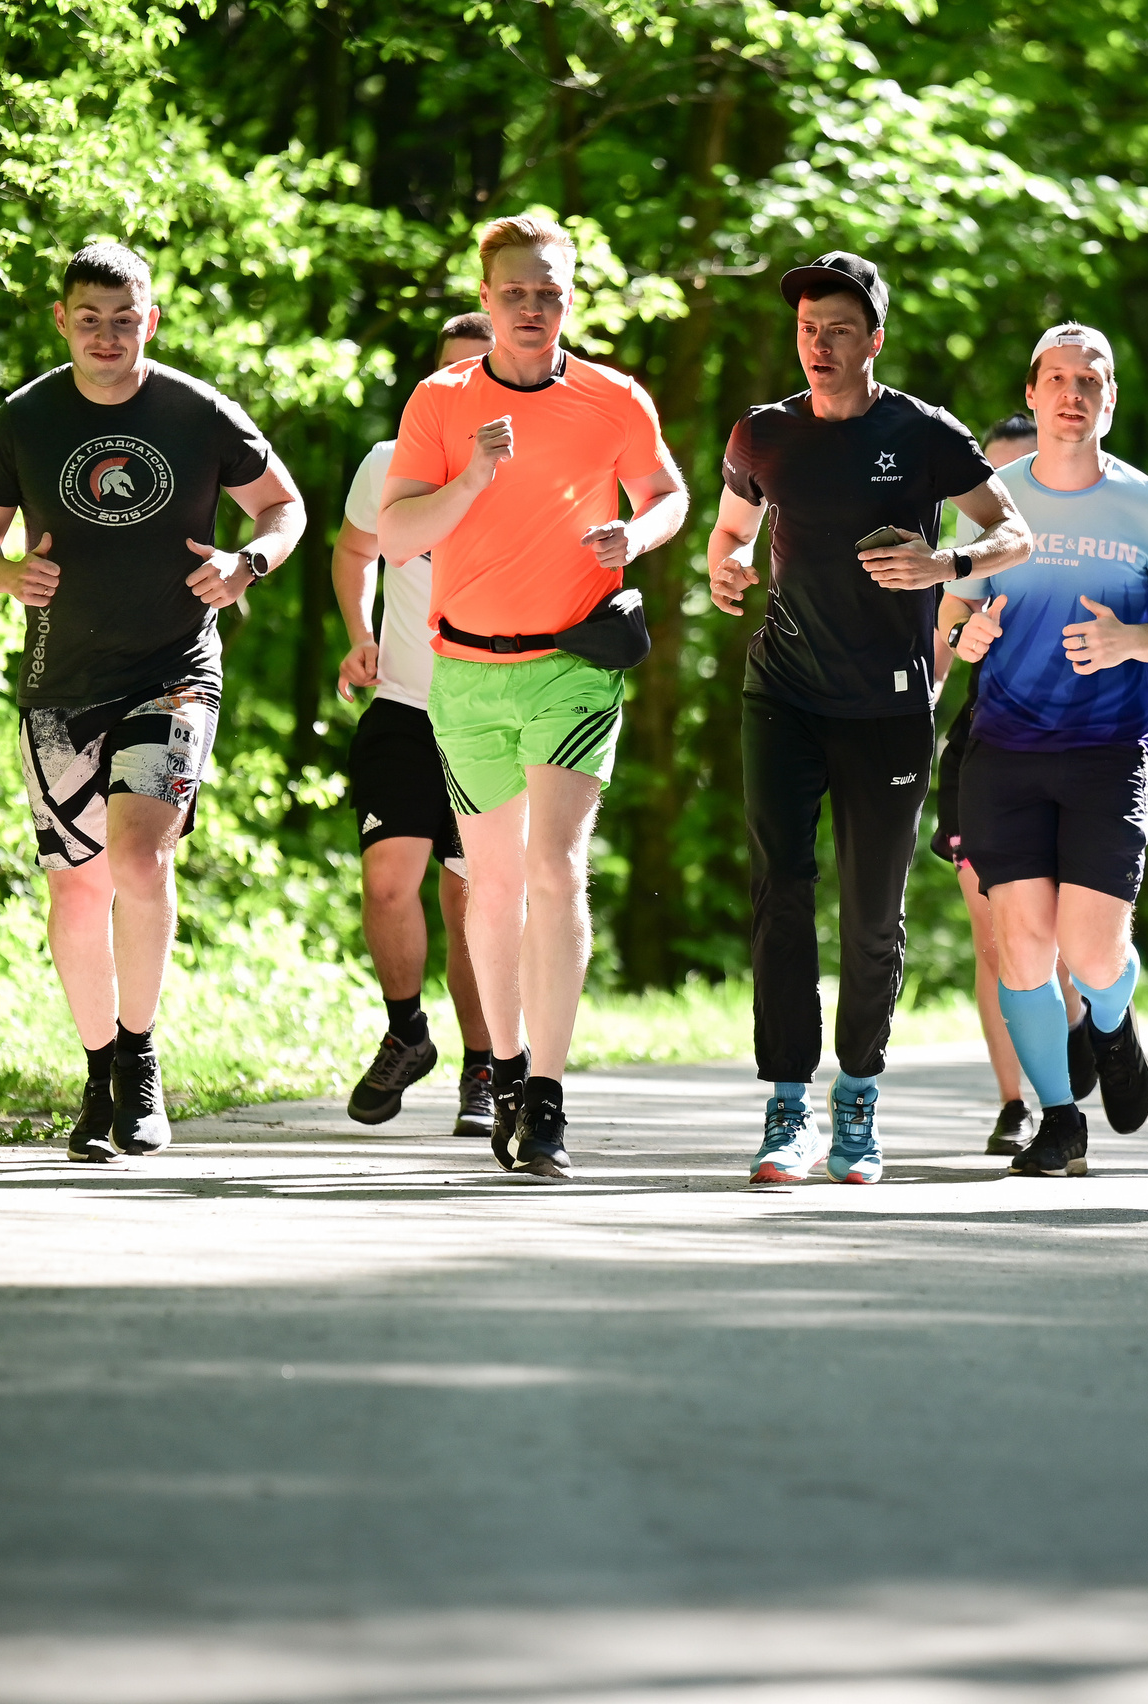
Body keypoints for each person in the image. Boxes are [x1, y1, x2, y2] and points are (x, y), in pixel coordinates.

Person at [0, 241, 307, 1163]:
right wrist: (4, 577)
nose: (107, 334)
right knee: (76, 888)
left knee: (140, 859)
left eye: (125, 316)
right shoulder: (25, 418)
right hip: (60, 682)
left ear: (151, 318)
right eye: (89, 316)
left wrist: (248, 563)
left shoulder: (197, 411)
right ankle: (98, 1069)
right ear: (63, 320)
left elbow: (286, 507)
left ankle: (142, 1064)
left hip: (174, 667)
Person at [707, 251, 1032, 1186]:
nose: (819, 343)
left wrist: (946, 569)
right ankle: (784, 1108)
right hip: (782, 693)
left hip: (888, 706)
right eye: (807, 329)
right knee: (781, 894)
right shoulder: (763, 434)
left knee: (872, 916)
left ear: (875, 339)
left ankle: (856, 1105)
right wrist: (722, 568)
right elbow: (730, 530)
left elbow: (1011, 532)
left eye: (839, 329)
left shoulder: (924, 432)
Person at [377, 215, 688, 1183]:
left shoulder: (613, 398)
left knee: (555, 868)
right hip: (463, 672)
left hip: (573, 665)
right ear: (486, 295)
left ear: (569, 296)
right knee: (494, 882)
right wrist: (474, 471)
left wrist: (634, 539)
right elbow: (393, 536)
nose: (531, 308)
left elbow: (670, 493)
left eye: (548, 292)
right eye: (514, 292)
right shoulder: (440, 401)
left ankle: (546, 1095)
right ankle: (504, 1069)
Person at [946, 324, 1148, 1177]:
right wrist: (967, 633)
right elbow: (948, 618)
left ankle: (1111, 1017)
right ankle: (1059, 1118)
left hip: (1105, 752)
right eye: (1056, 378)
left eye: (1089, 380)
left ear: (1110, 399)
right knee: (1022, 943)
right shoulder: (989, 501)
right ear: (1031, 394)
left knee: (1092, 952)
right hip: (1005, 750)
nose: (1072, 394)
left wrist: (1134, 639)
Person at [333, 313, 499, 1138]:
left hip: (492, 717)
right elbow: (353, 551)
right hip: (401, 705)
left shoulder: (530, 469)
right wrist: (360, 636)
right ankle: (407, 1032)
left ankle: (484, 1069)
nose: (461, 389)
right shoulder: (387, 463)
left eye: (480, 371)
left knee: (471, 904)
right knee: (387, 883)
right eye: (448, 375)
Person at [928, 414, 1092, 1156]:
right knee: (998, 937)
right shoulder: (968, 560)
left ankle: (1090, 1015)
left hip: (1086, 749)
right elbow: (938, 652)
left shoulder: (1100, 542)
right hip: (985, 751)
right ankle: (1017, 1103)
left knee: (1065, 940)